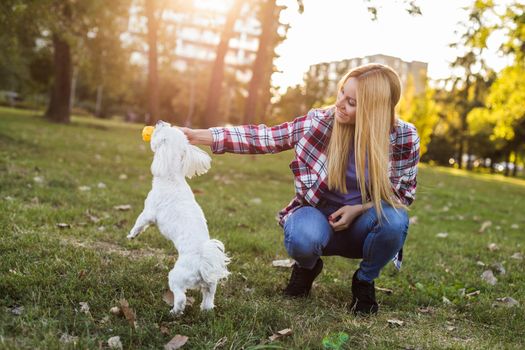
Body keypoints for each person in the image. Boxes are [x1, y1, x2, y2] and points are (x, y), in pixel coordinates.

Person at [181, 63, 420, 315]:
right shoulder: (319, 122)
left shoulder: (404, 137)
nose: (339, 104)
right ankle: (307, 268)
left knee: (395, 220)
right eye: (341, 93)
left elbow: (401, 194)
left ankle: (364, 281)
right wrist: (198, 136)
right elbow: (266, 138)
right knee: (301, 237)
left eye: (351, 102)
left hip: (365, 225)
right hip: (319, 216)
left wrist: (358, 209)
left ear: (375, 109)